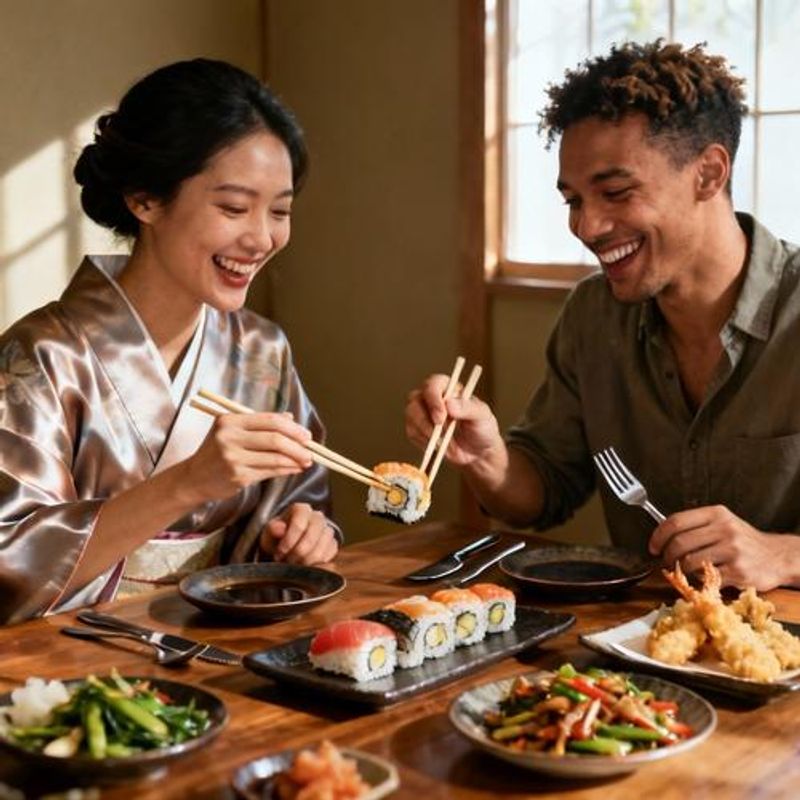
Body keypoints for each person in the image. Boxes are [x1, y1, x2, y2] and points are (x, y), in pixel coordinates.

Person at [406, 40, 800, 592]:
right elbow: (543, 491)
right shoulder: (594, 315)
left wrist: (783, 555)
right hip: (641, 654)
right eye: (573, 200)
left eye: (615, 192)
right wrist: (489, 457)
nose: (587, 227)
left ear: (709, 174)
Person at [0, 59, 340, 624]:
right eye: (233, 207)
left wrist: (305, 533)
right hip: (72, 668)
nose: (261, 237)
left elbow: (299, 502)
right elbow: (8, 563)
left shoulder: (262, 351)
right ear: (145, 200)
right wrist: (187, 483)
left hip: (217, 643)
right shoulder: (40, 358)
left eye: (279, 210)